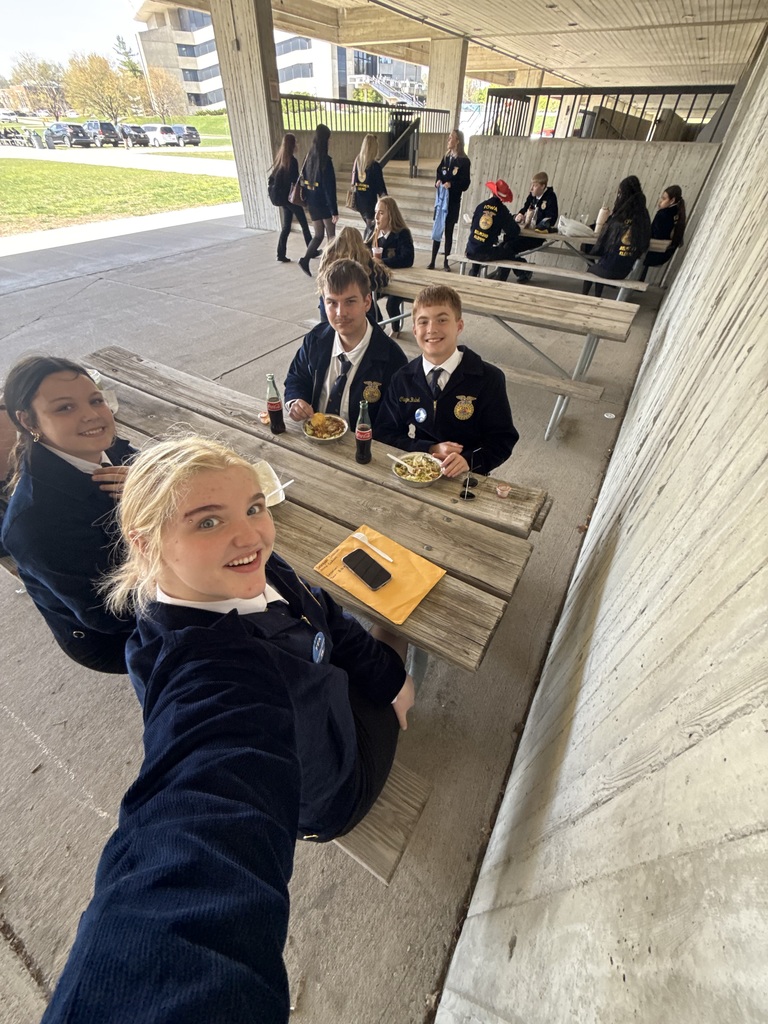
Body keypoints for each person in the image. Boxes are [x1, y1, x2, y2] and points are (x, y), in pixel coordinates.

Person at [1, 356, 136, 673]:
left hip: (155, 571)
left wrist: (154, 481)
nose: (92, 416)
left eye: (95, 400)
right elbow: (111, 614)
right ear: (29, 422)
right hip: (113, 636)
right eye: (64, 408)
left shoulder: (108, 449)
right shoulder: (36, 522)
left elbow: (160, 474)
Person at [376, 285, 519, 478]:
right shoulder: (403, 379)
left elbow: (502, 439)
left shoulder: (488, 378)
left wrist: (469, 460)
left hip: (469, 476)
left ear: (459, 326)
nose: (432, 329)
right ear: (415, 330)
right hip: (416, 472)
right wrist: (429, 448)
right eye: (423, 322)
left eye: (442, 320)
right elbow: (385, 433)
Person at [284, 259, 407, 431]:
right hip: (315, 436)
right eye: (332, 303)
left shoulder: (393, 360)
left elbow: (394, 425)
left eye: (350, 301)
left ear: (367, 302)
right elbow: (297, 377)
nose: (341, 313)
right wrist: (295, 400)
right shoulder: (315, 340)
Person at [581, 175, 652, 296]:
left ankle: (585, 296)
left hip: (611, 269)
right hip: (626, 269)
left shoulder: (619, 218)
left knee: (591, 268)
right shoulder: (643, 217)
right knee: (601, 264)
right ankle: (597, 296)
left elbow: (603, 243)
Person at [315, 226, 390, 326]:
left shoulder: (328, 253)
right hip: (355, 308)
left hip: (328, 303)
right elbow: (382, 279)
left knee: (328, 332)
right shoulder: (361, 256)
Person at [464, 179, 531, 281]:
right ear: (503, 199)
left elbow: (473, 227)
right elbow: (514, 231)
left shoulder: (480, 206)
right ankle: (503, 279)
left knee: (480, 243)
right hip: (485, 253)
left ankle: (474, 272)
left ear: (492, 192)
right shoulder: (502, 211)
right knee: (509, 251)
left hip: (469, 250)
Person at [368, 196, 415, 336]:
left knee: (392, 304)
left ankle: (395, 328)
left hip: (399, 279)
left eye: (381, 213)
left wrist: (383, 262)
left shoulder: (401, 234)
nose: (376, 217)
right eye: (376, 212)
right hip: (379, 277)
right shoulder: (374, 232)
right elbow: (365, 248)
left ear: (391, 215)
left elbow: (408, 259)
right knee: (366, 294)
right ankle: (378, 322)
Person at [427, 129, 471, 272]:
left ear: (458, 141)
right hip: (441, 201)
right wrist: (438, 181)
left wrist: (452, 185)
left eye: (451, 138)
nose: (448, 140)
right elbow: (439, 172)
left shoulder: (464, 161)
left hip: (452, 201)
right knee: (437, 228)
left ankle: (446, 261)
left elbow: (465, 183)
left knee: (449, 230)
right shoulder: (446, 158)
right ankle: (433, 260)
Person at [298, 124, 338, 277]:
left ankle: (306, 259)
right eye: (329, 139)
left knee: (318, 235)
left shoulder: (308, 157)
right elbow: (329, 188)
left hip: (312, 203)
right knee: (331, 237)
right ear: (325, 140)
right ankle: (330, 267)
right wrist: (334, 210)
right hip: (324, 204)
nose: (330, 142)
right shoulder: (325, 161)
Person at [268, 132, 312, 264]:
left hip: (282, 199)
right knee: (304, 224)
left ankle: (280, 253)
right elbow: (294, 181)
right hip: (290, 199)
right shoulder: (292, 161)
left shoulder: (280, 159)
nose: (297, 144)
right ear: (292, 144)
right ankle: (312, 249)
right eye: (296, 142)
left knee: (286, 227)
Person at [640, 184, 686, 280]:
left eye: (663, 198)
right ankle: (639, 278)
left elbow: (654, 235)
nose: (660, 201)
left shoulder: (663, 214)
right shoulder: (678, 214)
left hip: (654, 253)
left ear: (672, 200)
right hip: (665, 253)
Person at [352, 134, 387, 239]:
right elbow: (380, 187)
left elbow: (354, 181)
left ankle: (366, 247)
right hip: (370, 203)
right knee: (371, 229)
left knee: (370, 226)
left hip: (359, 201)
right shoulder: (374, 166)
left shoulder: (357, 162)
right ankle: (364, 249)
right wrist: (387, 202)